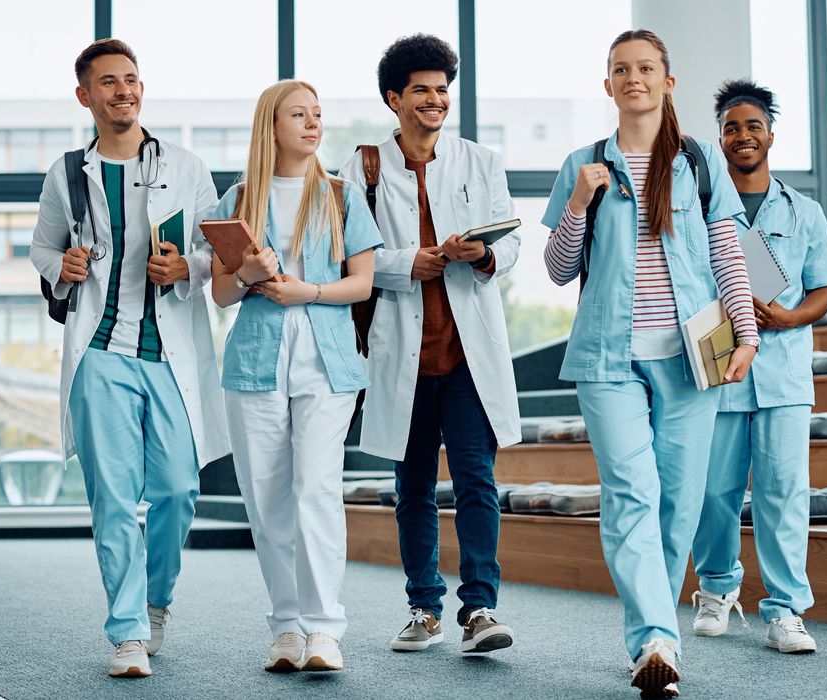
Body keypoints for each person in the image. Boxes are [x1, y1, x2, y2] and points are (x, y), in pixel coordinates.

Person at [541, 29, 758, 698]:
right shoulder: (583, 163)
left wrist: (746, 334)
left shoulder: (699, 161)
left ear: (667, 81)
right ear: (607, 84)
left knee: (678, 503)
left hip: (694, 357)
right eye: (620, 69)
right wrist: (578, 203)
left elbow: (728, 254)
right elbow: (557, 269)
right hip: (608, 360)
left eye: (644, 67)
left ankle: (654, 636)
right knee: (632, 495)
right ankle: (655, 641)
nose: (632, 77)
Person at [29, 38, 228, 678]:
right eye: (109, 82)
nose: (124, 91)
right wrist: (60, 266)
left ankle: (155, 600)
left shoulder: (187, 167)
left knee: (178, 489)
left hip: (169, 353)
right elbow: (42, 249)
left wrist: (188, 266)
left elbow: (217, 249)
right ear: (85, 96)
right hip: (100, 352)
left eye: (132, 79)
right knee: (113, 498)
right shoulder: (67, 174)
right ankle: (127, 632)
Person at [338, 34, 522, 655]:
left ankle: (481, 609)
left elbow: (512, 243)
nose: (435, 100)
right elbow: (345, 253)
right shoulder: (361, 169)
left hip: (468, 356)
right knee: (412, 489)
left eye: (442, 90)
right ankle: (423, 608)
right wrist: (402, 264)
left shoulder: (480, 161)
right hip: (403, 356)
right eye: (421, 90)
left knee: (476, 482)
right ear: (394, 98)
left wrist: (485, 254)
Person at [211, 79, 382, 674]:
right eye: (299, 115)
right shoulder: (237, 200)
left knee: (315, 491)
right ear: (272, 126)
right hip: (254, 365)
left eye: (317, 114)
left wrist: (304, 291)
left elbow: (362, 283)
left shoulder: (340, 195)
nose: (313, 124)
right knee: (266, 500)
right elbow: (221, 293)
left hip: (327, 364)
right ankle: (286, 625)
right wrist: (249, 274)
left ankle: (324, 628)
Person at [690, 79, 827, 654]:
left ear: (771, 135)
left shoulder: (805, 212)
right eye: (731, 128)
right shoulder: (700, 210)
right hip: (720, 372)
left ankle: (785, 610)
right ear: (720, 140)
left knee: (782, 494)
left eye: (753, 126)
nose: (743, 136)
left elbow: (823, 290)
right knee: (714, 492)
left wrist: (788, 317)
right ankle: (715, 589)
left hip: (784, 377)